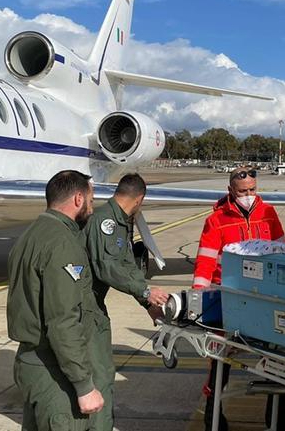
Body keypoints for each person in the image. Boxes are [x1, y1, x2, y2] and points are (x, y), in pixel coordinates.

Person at [192, 166, 285, 431]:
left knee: (278, 358)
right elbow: (205, 262)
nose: (249, 196)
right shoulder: (216, 220)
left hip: (265, 298)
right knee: (220, 360)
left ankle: (279, 416)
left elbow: (283, 251)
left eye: (252, 190)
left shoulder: (269, 213)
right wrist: (197, 300)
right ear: (230, 191)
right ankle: (213, 415)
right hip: (230, 298)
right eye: (242, 192)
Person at [7, 170, 105, 431]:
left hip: (30, 363)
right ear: (78, 199)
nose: (92, 208)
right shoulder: (62, 244)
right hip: (54, 372)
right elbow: (63, 321)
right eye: (91, 201)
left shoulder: (30, 235)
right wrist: (84, 386)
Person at [83, 173, 169, 430]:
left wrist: (148, 305)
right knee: (100, 375)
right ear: (139, 199)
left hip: (92, 306)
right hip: (84, 308)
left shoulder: (119, 221)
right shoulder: (106, 222)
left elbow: (127, 265)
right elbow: (107, 267)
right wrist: (146, 291)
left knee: (97, 373)